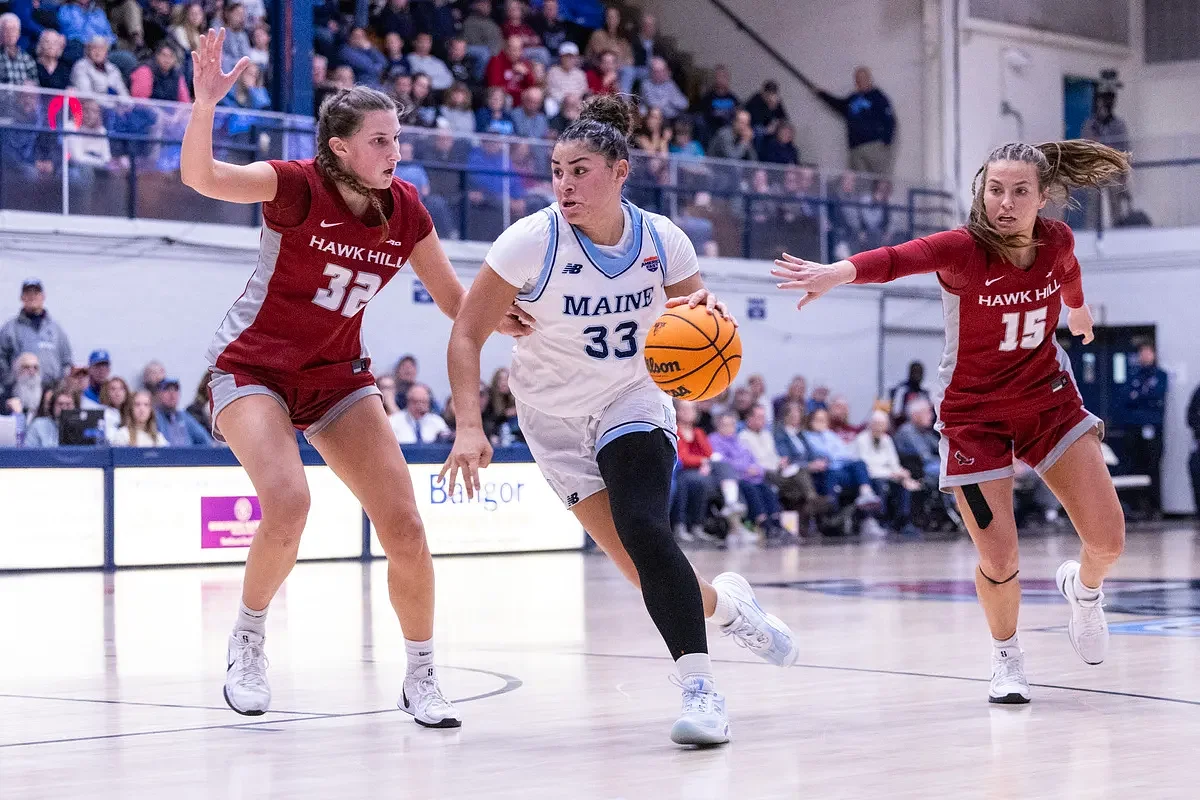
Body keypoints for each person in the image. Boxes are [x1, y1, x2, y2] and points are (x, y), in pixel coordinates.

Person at [179, 28, 532, 725]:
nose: (393, 153)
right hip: (251, 368)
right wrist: (203, 105)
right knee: (289, 503)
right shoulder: (295, 186)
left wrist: (503, 319)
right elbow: (204, 178)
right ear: (339, 146)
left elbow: (454, 303)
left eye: (396, 140)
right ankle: (248, 638)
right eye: (379, 141)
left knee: (404, 525)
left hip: (338, 378)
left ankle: (423, 675)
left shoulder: (406, 208)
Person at [439, 95, 798, 747]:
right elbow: (465, 333)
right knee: (643, 567)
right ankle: (730, 608)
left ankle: (700, 689)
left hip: (631, 402)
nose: (565, 184)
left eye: (580, 170)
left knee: (645, 529)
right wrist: (470, 424)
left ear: (620, 170)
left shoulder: (665, 241)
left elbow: (700, 323)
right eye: (556, 171)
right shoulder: (529, 243)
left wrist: (710, 325)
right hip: (552, 420)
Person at [772, 139, 1130, 704]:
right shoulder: (963, 250)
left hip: (1048, 403)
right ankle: (1006, 656)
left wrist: (1079, 308)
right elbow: (896, 258)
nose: (1004, 202)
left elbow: (1069, 271)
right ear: (980, 192)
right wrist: (835, 273)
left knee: (1109, 542)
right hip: (975, 417)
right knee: (1000, 555)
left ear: (1042, 199)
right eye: (994, 190)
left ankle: (1084, 592)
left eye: (1019, 192)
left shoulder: (1057, 240)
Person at [1123, 343, 1167, 518]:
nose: (1144, 356)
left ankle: (1155, 507)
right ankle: (1136, 507)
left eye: (1147, 353)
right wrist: (1142, 397)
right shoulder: (1134, 375)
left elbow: (1156, 396)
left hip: (1153, 429)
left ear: (1154, 354)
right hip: (1134, 429)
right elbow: (1126, 398)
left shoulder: (1160, 375)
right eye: (1142, 353)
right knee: (1135, 465)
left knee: (1153, 467)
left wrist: (1139, 397)